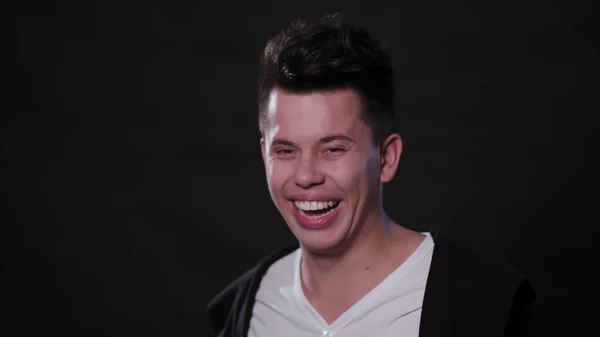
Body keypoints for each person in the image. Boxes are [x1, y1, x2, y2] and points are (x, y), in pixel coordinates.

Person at [207, 13, 535, 337]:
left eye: (333, 148)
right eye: (286, 150)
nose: (306, 176)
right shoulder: (246, 309)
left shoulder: (482, 305)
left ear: (387, 158)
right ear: (265, 156)